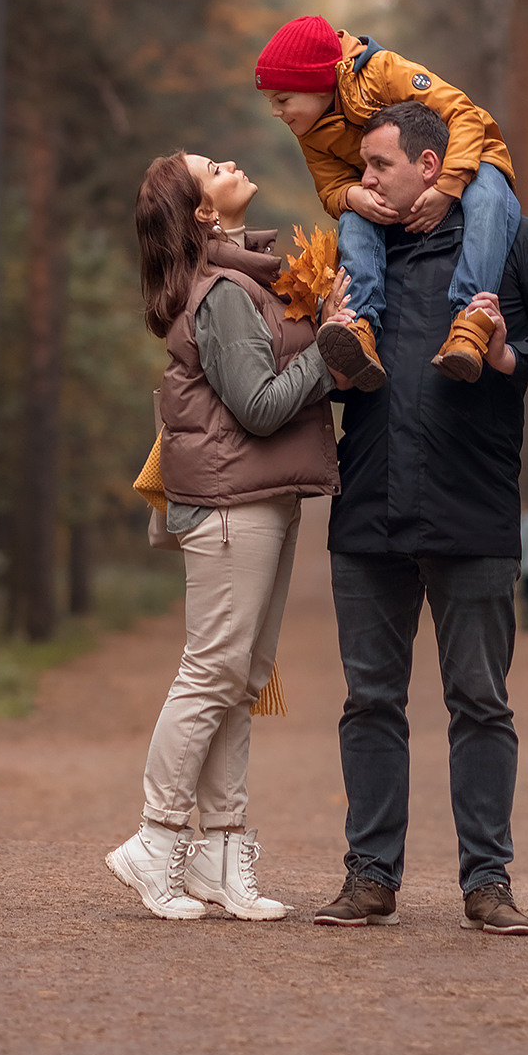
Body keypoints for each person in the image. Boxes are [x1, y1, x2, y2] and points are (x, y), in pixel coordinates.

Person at [311, 101, 528, 937]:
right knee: (370, 700)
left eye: (377, 165)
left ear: (430, 165)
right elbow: (324, 384)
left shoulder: (514, 241)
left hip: (473, 511)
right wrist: (326, 340)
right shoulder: (355, 251)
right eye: (361, 168)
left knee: (479, 700)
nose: (363, 182)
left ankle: (487, 882)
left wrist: (512, 357)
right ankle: (370, 877)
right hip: (368, 510)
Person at [105, 151, 347, 924]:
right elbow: (261, 406)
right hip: (229, 505)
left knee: (240, 683)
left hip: (257, 496)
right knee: (212, 675)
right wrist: (332, 350)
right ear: (204, 213)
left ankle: (219, 849)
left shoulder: (247, 279)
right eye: (212, 166)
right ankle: (156, 839)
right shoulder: (222, 294)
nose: (231, 161)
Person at [255, 15, 519, 390]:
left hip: (470, 157)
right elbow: (330, 186)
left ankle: (470, 322)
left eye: (282, 99)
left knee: (487, 196)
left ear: (315, 84)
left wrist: (447, 186)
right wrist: (352, 195)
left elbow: (462, 113)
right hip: (391, 184)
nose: (275, 112)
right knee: (353, 219)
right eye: (271, 101)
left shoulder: (382, 71)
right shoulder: (309, 130)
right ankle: (359, 325)